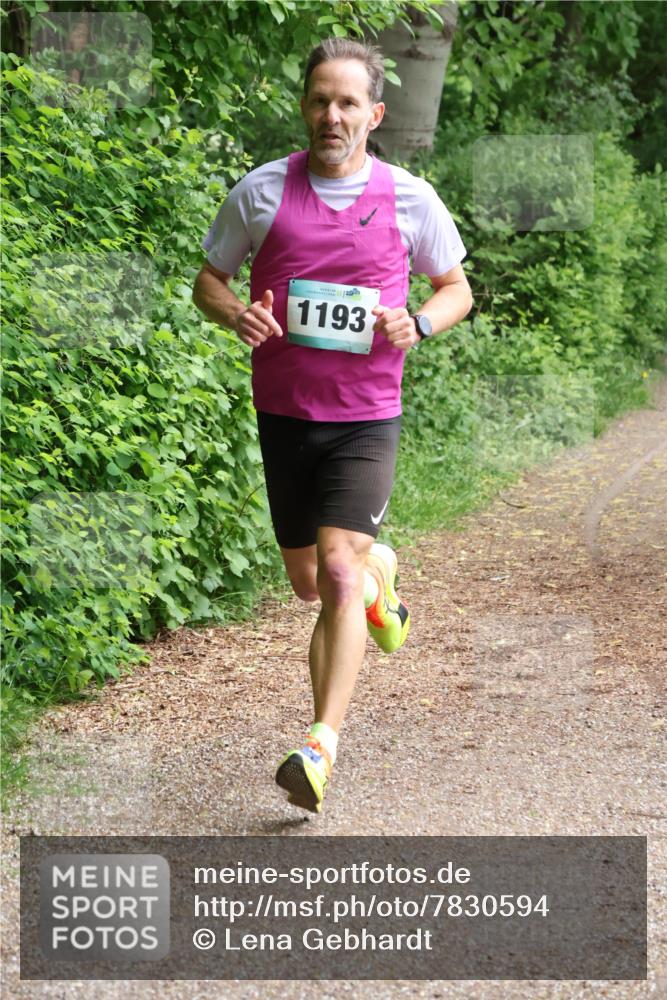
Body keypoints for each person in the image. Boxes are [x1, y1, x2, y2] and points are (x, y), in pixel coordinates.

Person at [192, 37, 473, 815]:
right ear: (304, 107)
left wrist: (418, 321)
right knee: (311, 581)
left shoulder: (410, 198)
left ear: (374, 114)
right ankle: (379, 579)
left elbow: (457, 289)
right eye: (320, 99)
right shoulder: (260, 192)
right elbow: (207, 282)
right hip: (284, 414)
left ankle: (319, 742)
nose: (331, 115)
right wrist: (235, 312)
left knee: (337, 576)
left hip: (365, 419)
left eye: (348, 102)